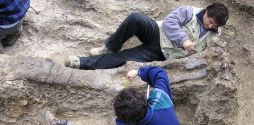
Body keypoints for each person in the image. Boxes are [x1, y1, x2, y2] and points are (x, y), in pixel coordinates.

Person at [44, 66, 180, 125]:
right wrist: (138, 72)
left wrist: (120, 120)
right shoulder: (160, 98)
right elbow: (160, 74)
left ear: (130, 122)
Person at [64, 3, 228, 70]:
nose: (211, 26)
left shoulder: (215, 34)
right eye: (211, 21)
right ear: (206, 12)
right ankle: (109, 46)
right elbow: (170, 22)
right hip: (157, 33)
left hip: (164, 55)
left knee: (124, 58)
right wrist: (184, 39)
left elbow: (207, 53)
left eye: (216, 26)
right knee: (136, 18)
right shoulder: (189, 12)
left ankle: (80, 63)